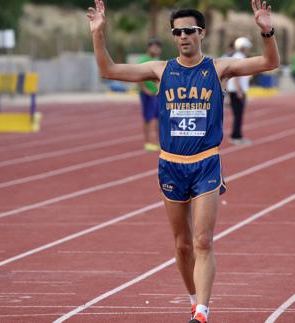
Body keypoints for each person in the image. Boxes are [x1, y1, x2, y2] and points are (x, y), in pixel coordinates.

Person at [86, 1, 280, 322]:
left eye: (189, 30)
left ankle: (202, 314)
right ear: (173, 36)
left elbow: (270, 62)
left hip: (205, 162)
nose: (184, 36)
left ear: (201, 32)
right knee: (182, 246)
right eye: (178, 32)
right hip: (171, 164)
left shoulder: (219, 69)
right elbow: (108, 70)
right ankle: (193, 298)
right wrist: (97, 34)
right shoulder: (159, 70)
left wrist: (266, 30)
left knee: (203, 240)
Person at [137, 38, 162, 151]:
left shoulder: (156, 60)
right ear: (149, 48)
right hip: (147, 94)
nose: (156, 49)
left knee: (158, 117)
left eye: (158, 47)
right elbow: (138, 76)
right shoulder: (143, 60)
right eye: (154, 47)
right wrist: (145, 89)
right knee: (148, 118)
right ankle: (147, 142)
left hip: (156, 94)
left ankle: (158, 141)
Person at [227, 37, 252, 145]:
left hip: (237, 90)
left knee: (238, 115)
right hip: (237, 91)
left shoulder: (238, 57)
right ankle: (236, 136)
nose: (248, 49)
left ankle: (237, 135)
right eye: (247, 47)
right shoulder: (239, 57)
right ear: (242, 47)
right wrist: (239, 91)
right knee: (238, 115)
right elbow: (236, 76)